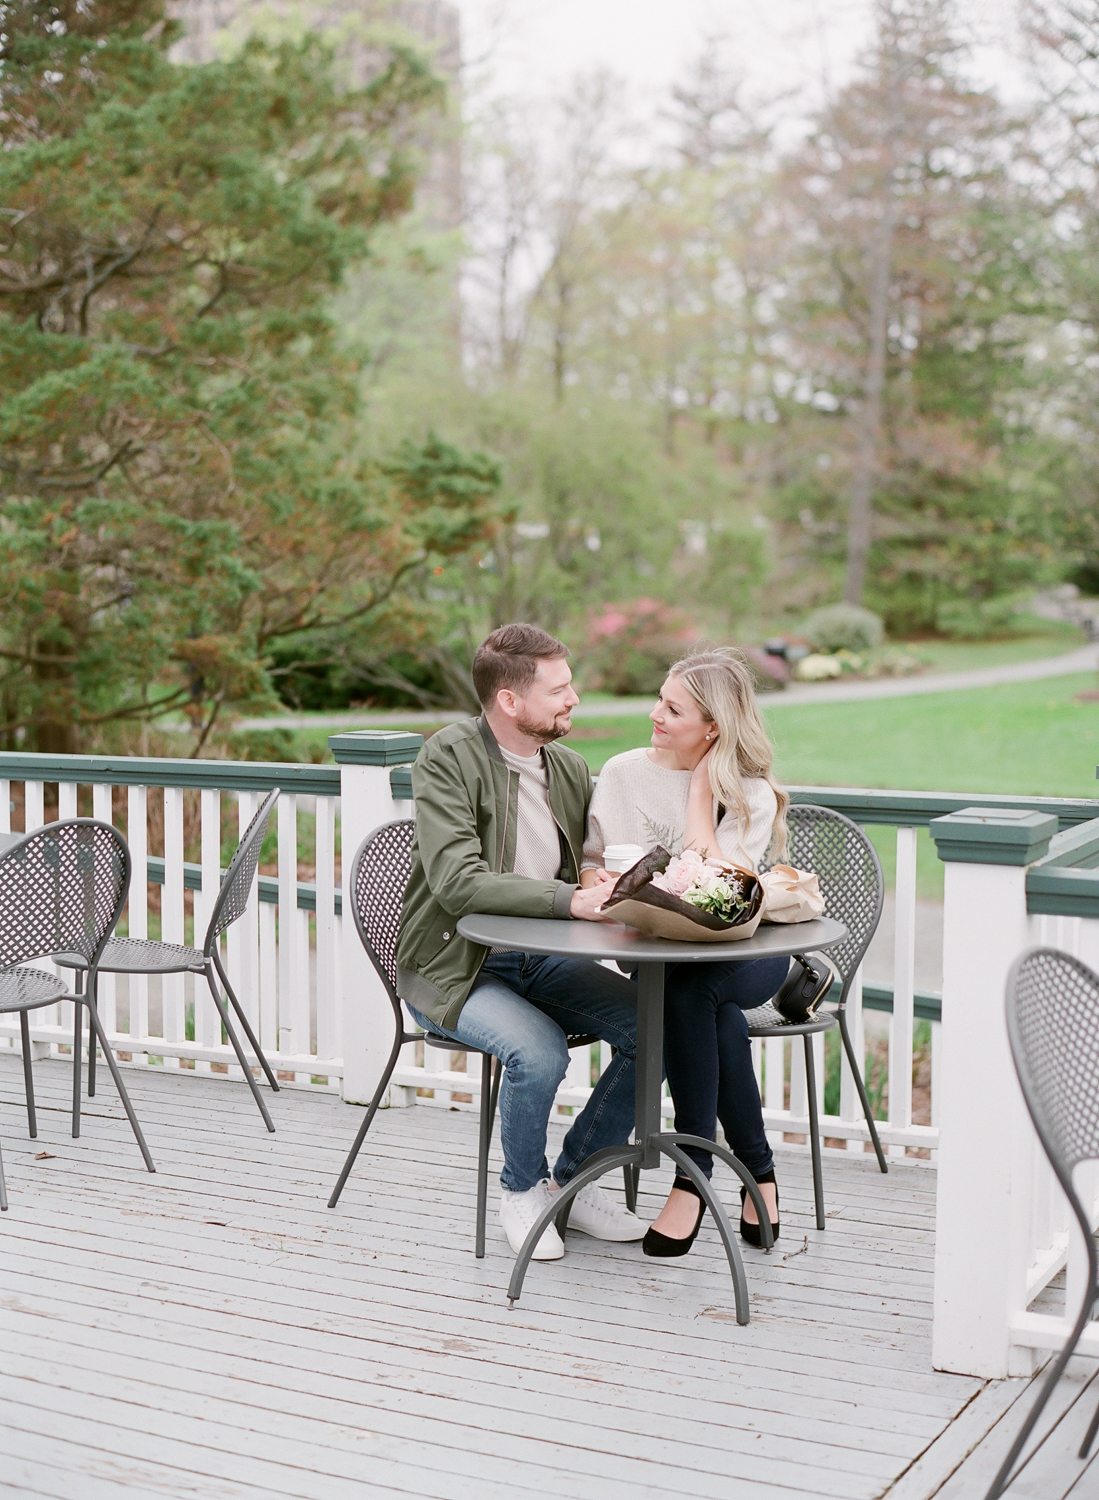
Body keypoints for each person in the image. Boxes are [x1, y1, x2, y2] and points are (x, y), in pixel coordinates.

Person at [396, 623, 645, 1260]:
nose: (575, 699)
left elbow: (577, 867)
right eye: (559, 689)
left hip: (542, 962)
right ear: (511, 701)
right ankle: (521, 1188)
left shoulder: (566, 767)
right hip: (458, 965)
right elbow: (457, 883)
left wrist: (594, 879)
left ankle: (574, 1181)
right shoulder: (448, 756)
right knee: (538, 1054)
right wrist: (573, 900)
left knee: (655, 1029)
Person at [581, 647, 789, 1256]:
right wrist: (597, 880)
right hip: (658, 956)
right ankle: (761, 1172)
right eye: (660, 699)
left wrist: (702, 794)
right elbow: (595, 862)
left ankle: (690, 1174)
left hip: (748, 956)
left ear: (713, 727)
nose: (656, 715)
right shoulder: (622, 773)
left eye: (673, 709)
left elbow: (717, 895)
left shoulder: (749, 794)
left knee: (694, 992)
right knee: (704, 1010)